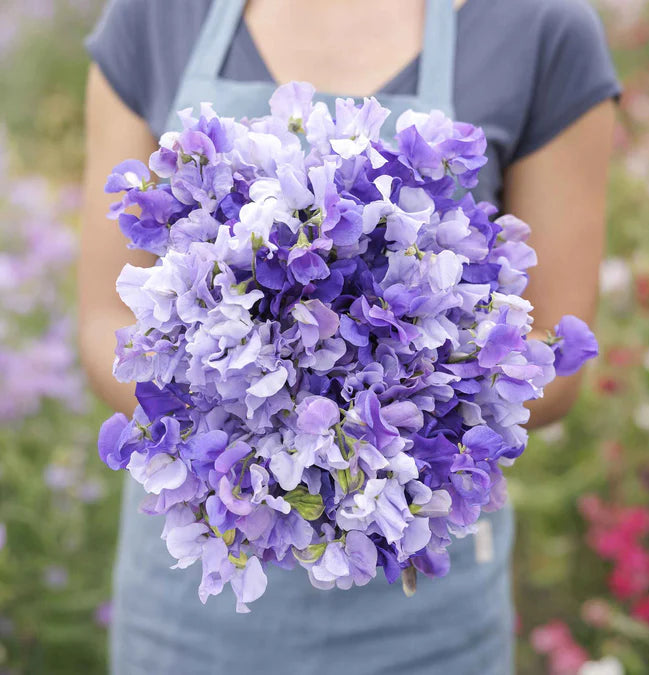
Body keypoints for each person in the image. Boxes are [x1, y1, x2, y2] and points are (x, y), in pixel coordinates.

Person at [78, 0, 621, 673]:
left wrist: (366, 435)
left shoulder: (540, 27)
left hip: (422, 622)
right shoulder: (155, 15)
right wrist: (245, 430)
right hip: (192, 605)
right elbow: (106, 319)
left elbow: (552, 359)